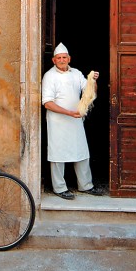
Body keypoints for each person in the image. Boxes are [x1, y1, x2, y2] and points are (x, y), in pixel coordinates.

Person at [41, 42, 102, 200]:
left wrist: (92, 80)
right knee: (57, 154)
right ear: (54, 60)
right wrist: (68, 112)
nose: (62, 60)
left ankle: (85, 185)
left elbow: (88, 91)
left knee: (81, 151)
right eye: (59, 58)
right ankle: (59, 188)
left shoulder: (76, 73)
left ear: (69, 58)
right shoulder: (49, 76)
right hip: (58, 122)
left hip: (75, 120)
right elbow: (47, 103)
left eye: (64, 57)